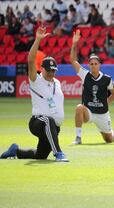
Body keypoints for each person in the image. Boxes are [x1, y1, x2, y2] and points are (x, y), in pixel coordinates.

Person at [0, 27, 68, 162]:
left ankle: (15, 150)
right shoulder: (36, 80)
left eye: (53, 70)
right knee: (48, 120)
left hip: (54, 128)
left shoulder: (57, 83)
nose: (51, 72)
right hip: (38, 122)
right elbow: (30, 60)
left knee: (40, 156)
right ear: (41, 69)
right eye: (48, 70)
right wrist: (38, 40)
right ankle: (58, 153)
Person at [70, 30, 114, 145]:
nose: (94, 65)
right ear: (88, 65)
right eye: (91, 64)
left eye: (96, 63)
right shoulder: (85, 75)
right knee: (79, 108)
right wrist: (74, 44)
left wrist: (106, 102)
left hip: (102, 114)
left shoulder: (107, 79)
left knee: (109, 140)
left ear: (99, 65)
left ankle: (110, 133)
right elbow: (73, 61)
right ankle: (78, 137)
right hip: (89, 111)